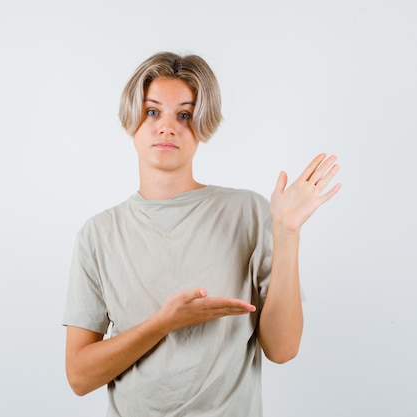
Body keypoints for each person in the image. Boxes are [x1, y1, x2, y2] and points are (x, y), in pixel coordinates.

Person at [62, 51, 341, 416]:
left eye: (184, 115)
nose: (167, 127)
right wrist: (164, 324)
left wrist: (287, 231)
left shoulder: (248, 213)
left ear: (202, 126)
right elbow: (79, 377)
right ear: (132, 121)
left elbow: (282, 349)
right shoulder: (98, 234)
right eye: (152, 111)